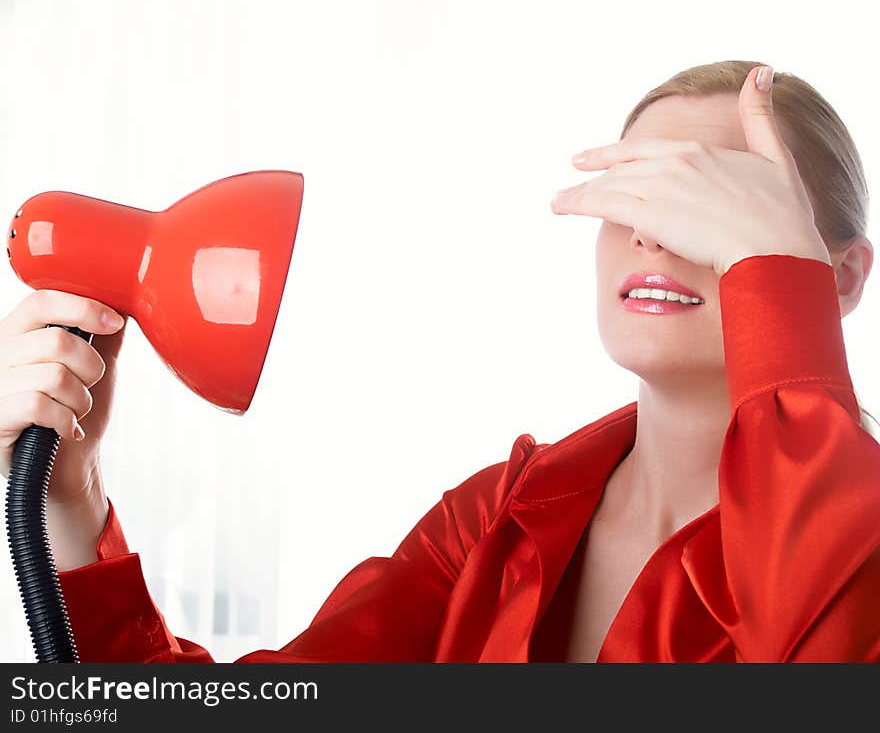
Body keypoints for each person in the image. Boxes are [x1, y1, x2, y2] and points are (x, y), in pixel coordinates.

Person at [2, 60, 879, 663]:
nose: (654, 228)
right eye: (636, 188)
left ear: (835, 278)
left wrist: (774, 278)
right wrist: (71, 501)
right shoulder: (499, 520)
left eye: (715, 198)